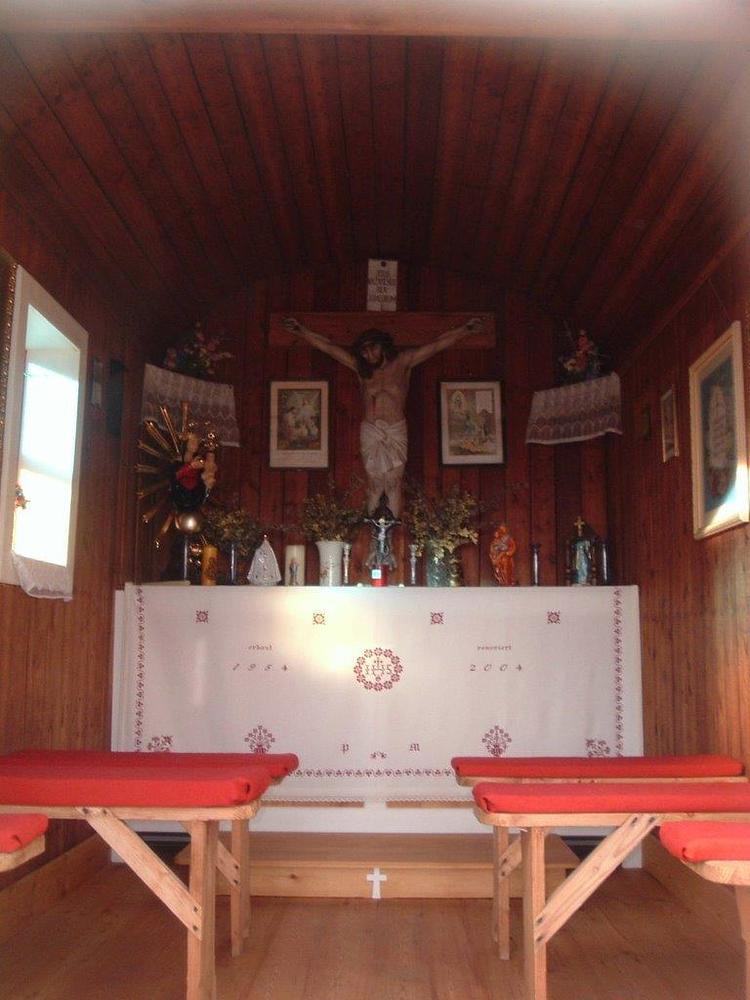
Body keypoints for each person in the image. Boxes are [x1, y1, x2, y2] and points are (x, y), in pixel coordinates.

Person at [282, 315, 485, 515]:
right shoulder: (361, 369)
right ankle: (374, 535)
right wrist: (302, 331)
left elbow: (436, 345)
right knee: (375, 485)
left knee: (394, 483)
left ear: (383, 345)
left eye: (373, 348)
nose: (369, 355)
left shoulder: (403, 362)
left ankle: (390, 534)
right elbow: (329, 348)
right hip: (371, 430)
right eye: (364, 351)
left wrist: (465, 330)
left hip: (395, 429)